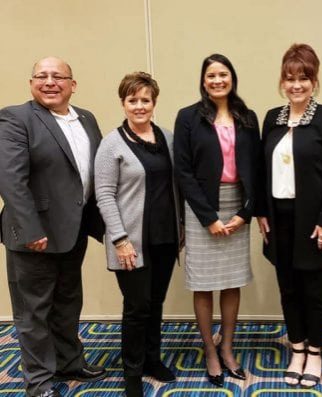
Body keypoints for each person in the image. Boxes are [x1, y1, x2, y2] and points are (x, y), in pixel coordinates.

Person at [0, 57, 106, 397]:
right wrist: (30, 230)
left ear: (72, 85)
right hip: (34, 236)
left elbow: (93, 174)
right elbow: (11, 181)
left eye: (58, 76)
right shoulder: (15, 118)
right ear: (31, 82)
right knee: (33, 312)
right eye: (41, 76)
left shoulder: (86, 118)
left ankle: (69, 361)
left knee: (67, 302)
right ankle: (39, 382)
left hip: (72, 231)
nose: (49, 82)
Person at [256, 43, 322, 389]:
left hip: (314, 219)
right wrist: (261, 213)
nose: (296, 85)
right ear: (282, 80)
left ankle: (315, 350)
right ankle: (296, 347)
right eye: (290, 78)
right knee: (288, 286)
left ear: (314, 80)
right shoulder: (272, 118)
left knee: (314, 289)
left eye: (304, 78)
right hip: (278, 218)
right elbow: (261, 169)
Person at [174, 54, 260, 387]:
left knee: (231, 279)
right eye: (211, 75)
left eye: (223, 74)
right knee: (203, 282)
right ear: (203, 80)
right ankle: (209, 350)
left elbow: (256, 168)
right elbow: (182, 171)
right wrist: (208, 218)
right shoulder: (188, 118)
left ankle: (227, 348)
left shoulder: (247, 117)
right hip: (201, 209)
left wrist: (245, 213)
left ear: (232, 77)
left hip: (238, 204)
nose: (217, 80)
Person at [94, 72, 183, 396]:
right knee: (136, 307)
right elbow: (103, 194)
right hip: (130, 242)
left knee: (155, 303)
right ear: (123, 103)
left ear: (154, 103)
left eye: (145, 99)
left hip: (165, 237)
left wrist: (182, 228)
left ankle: (151, 360)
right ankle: (132, 373)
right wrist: (119, 239)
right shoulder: (112, 143)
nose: (139, 105)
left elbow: (175, 186)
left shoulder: (167, 138)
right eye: (133, 100)